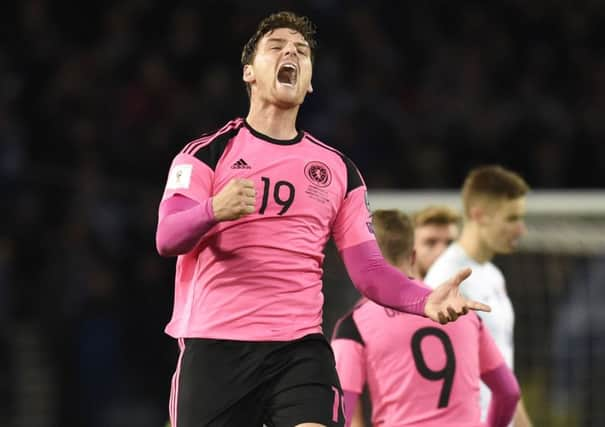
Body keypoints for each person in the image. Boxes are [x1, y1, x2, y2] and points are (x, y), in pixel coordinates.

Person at [155, 11, 489, 427]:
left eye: (301, 51)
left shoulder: (337, 170)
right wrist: (213, 210)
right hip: (216, 347)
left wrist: (424, 300)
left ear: (309, 81)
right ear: (248, 73)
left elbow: (368, 271)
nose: (290, 52)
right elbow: (167, 237)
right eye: (276, 46)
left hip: (298, 351)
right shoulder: (206, 154)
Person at [331, 209, 520, 427]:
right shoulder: (460, 311)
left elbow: (341, 411)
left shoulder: (354, 325)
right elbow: (509, 392)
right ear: (413, 256)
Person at [424, 165, 533, 427]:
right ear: (478, 215)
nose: (521, 230)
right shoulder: (446, 281)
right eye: (511, 218)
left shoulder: (494, 275)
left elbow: (503, 365)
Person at [411, 205, 460, 280]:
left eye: (449, 243)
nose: (442, 251)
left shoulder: (470, 288)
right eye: (431, 242)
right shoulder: (393, 289)